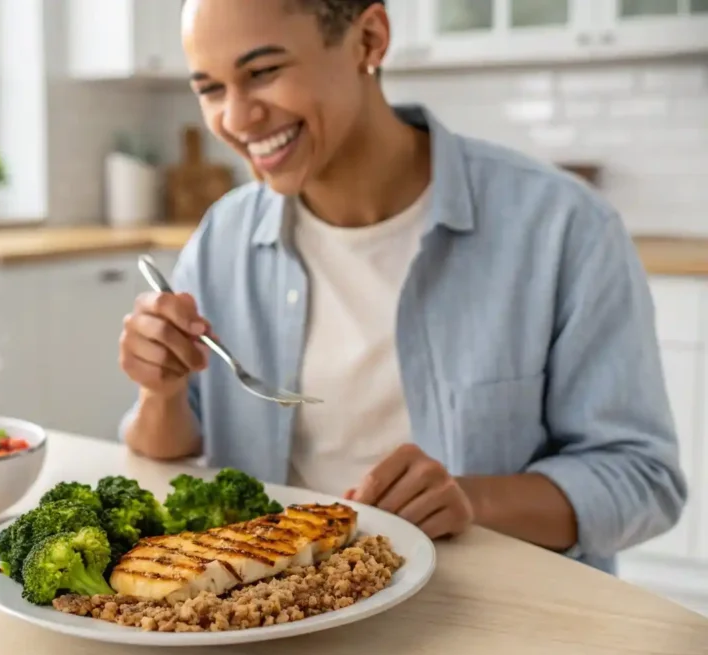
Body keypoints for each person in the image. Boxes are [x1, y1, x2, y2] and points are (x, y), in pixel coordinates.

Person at [116, 0, 687, 573]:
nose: (236, 119)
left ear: (369, 39)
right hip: (281, 617)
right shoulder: (224, 236)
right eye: (211, 88)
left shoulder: (563, 227)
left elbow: (642, 481)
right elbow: (169, 452)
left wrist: (471, 500)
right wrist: (159, 390)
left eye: (263, 72)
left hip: (492, 615)